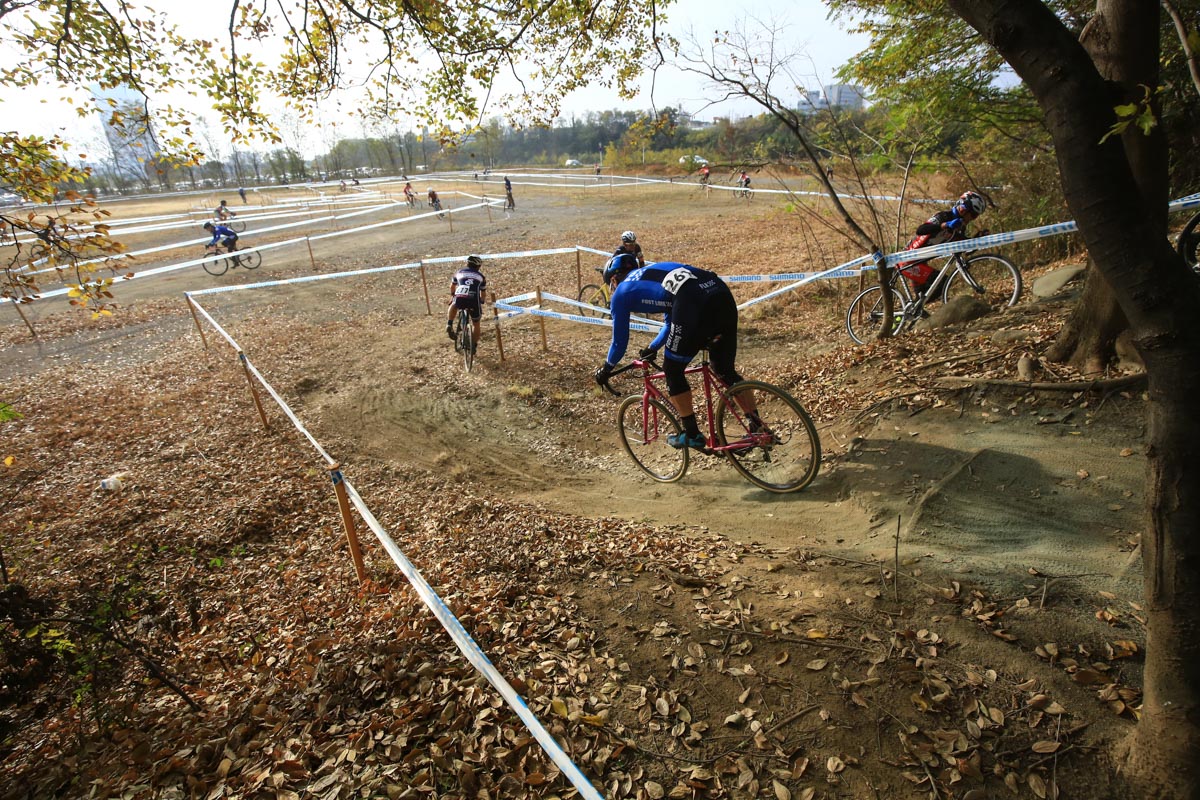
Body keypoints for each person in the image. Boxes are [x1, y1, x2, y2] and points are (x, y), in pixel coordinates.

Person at [594, 255, 756, 449]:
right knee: (723, 369)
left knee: (672, 369)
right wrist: (652, 347)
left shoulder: (621, 292)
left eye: (610, 285)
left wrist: (606, 368)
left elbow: (620, 342)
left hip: (690, 300)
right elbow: (671, 322)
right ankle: (758, 427)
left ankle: (692, 434)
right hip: (718, 290)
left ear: (613, 280)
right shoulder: (652, 274)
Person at [897, 190, 987, 296]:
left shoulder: (960, 226)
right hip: (907, 261)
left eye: (975, 216)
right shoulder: (943, 216)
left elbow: (966, 249)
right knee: (942, 282)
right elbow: (921, 230)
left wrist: (978, 239)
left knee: (921, 304)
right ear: (963, 209)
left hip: (920, 262)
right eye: (973, 215)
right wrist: (944, 225)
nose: (972, 218)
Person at [447, 254, 487, 353]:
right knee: (476, 324)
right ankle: (473, 345)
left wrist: (453, 295)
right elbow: (483, 292)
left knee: (454, 304)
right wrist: (482, 300)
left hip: (461, 296)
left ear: (467, 263)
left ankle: (449, 324)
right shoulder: (481, 276)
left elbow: (452, 286)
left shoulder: (459, 272)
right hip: (473, 300)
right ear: (479, 266)